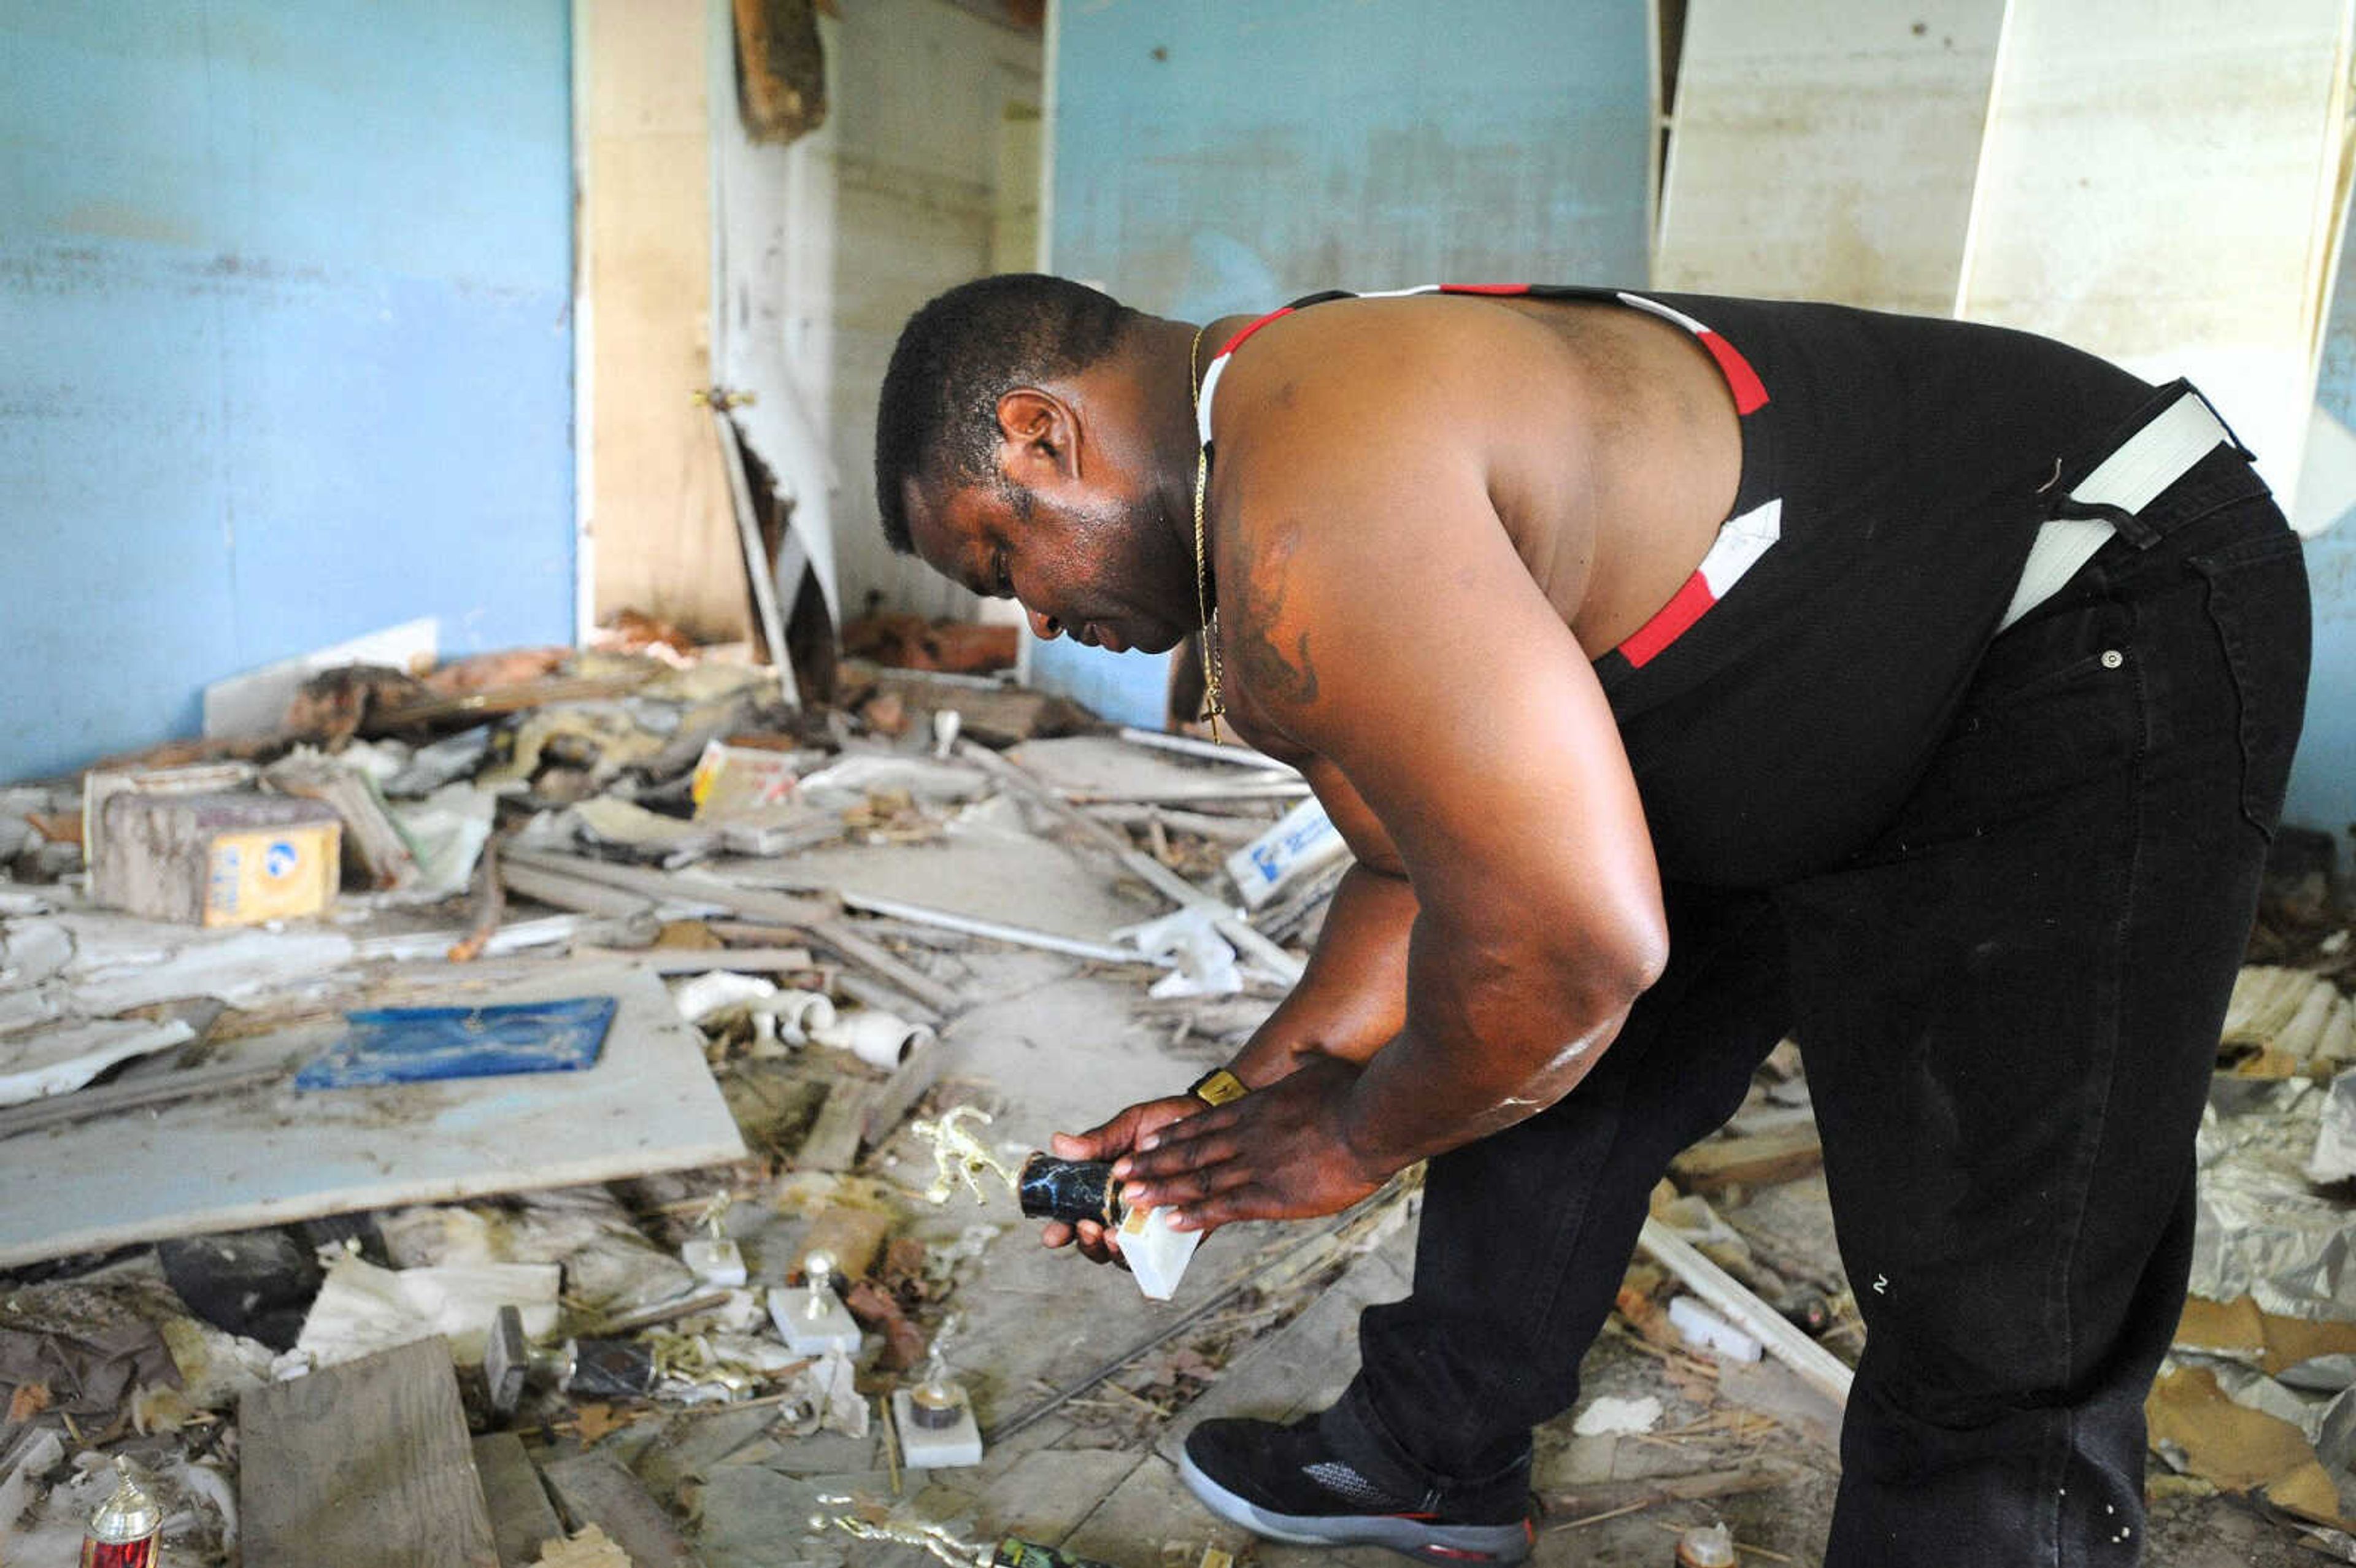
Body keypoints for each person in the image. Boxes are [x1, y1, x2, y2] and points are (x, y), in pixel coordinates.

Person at [871, 273, 2312, 1566]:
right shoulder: (1256, 499)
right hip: (1816, 678)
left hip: (2079, 601)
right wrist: (1234, 1106)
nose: (1038, 624)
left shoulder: (1306, 499)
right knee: (1514, 1066)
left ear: (1044, 435)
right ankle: (1433, 1459)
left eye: (1004, 560)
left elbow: (1569, 952)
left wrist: (1350, 1140)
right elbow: (1412, 874)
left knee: (1997, 1260)